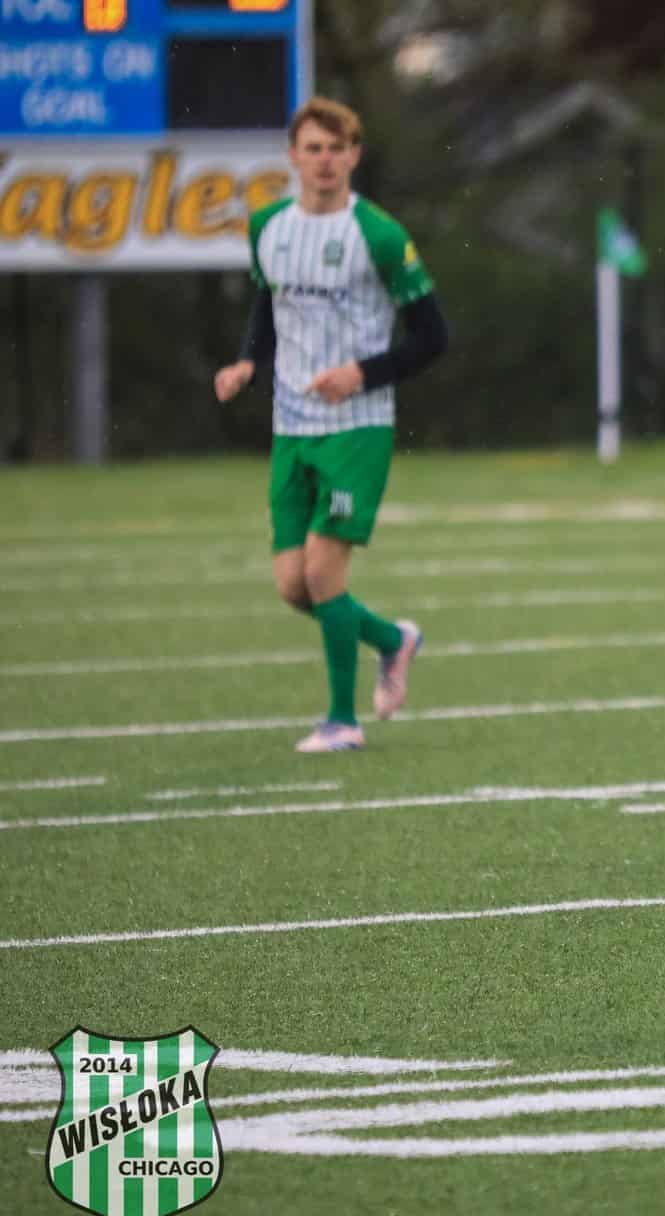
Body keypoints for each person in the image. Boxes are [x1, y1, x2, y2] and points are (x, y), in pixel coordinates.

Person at [213, 97, 449, 750]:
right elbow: (268, 308)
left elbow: (433, 337)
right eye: (312, 148)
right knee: (293, 587)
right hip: (290, 427)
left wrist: (362, 374)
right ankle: (392, 640)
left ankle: (342, 722)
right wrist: (247, 363)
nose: (324, 160)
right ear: (293, 156)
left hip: (357, 425)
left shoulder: (379, 235)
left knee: (323, 575)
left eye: (335, 149)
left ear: (354, 156)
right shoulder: (267, 227)